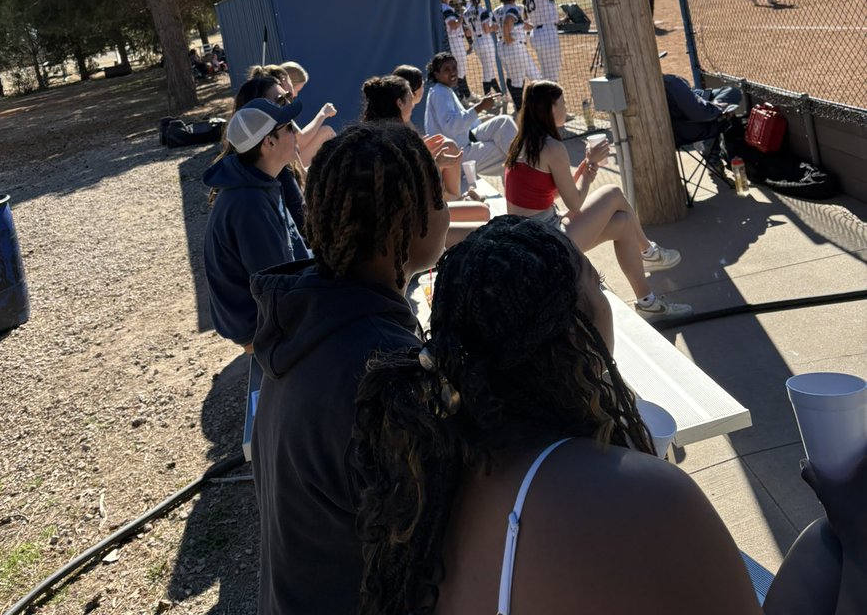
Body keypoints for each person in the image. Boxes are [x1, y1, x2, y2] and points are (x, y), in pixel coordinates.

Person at [355, 217, 867, 615]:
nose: (607, 299)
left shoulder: (431, 463)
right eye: (598, 285)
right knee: (834, 546)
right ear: (575, 334)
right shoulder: (646, 496)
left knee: (822, 545)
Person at [249, 122, 450, 615]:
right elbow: (435, 548)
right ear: (406, 222)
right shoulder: (383, 372)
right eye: (440, 198)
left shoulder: (302, 324)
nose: (448, 212)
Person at [504, 80, 691, 321]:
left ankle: (648, 301)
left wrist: (583, 168)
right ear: (550, 108)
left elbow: (548, 192)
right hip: (546, 242)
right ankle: (648, 252)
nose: (566, 107)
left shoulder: (521, 143)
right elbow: (575, 204)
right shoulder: (551, 147)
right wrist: (592, 166)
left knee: (623, 223)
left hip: (529, 239)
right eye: (562, 102)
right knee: (613, 192)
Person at [202, 95, 310, 350]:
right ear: (269, 142)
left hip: (267, 312)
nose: (296, 133)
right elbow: (277, 286)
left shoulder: (258, 182)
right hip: (260, 327)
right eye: (289, 128)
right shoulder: (249, 204)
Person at [362, 74, 489, 217]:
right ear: (400, 103)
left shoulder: (379, 133)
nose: (414, 104)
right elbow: (410, 193)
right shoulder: (392, 140)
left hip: (407, 214)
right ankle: (459, 200)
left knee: (448, 146)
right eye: (410, 97)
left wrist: (427, 158)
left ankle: (458, 199)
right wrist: (434, 164)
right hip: (405, 221)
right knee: (482, 212)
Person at [230, 67, 308, 232]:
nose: (288, 103)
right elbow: (305, 229)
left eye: (288, 97)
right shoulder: (270, 172)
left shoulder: (273, 164)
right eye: (280, 100)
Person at [424, 52, 518, 177]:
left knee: (504, 121)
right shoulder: (440, 93)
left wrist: (480, 118)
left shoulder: (442, 89)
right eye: (446, 69)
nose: (452, 72)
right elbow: (451, 127)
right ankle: (528, 170)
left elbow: (459, 121)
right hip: (456, 155)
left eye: (454, 68)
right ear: (437, 74)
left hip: (465, 140)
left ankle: (524, 165)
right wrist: (480, 107)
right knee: (508, 152)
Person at [279, 58, 337, 166]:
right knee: (327, 133)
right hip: (286, 163)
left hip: (285, 158)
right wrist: (322, 114)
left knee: (326, 131)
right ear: (288, 85)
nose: (296, 95)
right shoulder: (280, 105)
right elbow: (301, 140)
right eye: (297, 90)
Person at [492, 0, 540, 112]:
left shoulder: (497, 10)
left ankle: (519, 106)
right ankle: (522, 108)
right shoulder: (514, 8)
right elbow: (508, 22)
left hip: (503, 47)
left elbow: (494, 27)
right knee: (523, 80)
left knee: (515, 77)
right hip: (514, 47)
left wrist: (532, 27)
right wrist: (508, 37)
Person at [663, 73, 742, 146]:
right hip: (693, 130)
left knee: (707, 94)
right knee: (732, 93)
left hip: (681, 129)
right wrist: (719, 108)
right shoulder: (669, 82)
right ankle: (716, 153)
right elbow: (703, 114)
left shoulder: (662, 84)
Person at [463, 0, 502, 96]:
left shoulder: (466, 12)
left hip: (476, 42)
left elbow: (468, 33)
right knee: (487, 70)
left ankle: (499, 93)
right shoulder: (482, 10)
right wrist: (495, 27)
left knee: (488, 68)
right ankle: (487, 98)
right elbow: (486, 29)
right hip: (485, 41)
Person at [440, 0, 471, 102]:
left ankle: (465, 95)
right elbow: (453, 25)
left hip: (454, 41)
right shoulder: (446, 8)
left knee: (460, 70)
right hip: (455, 42)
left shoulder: (446, 8)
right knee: (459, 71)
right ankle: (462, 97)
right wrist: (462, 16)